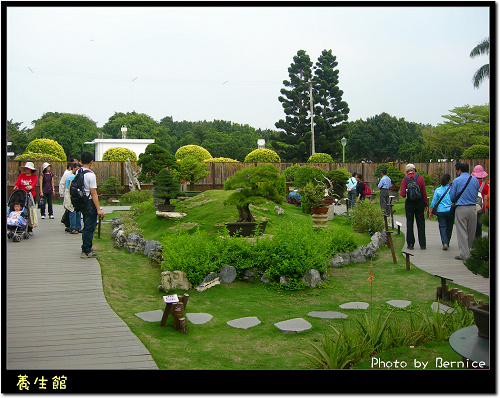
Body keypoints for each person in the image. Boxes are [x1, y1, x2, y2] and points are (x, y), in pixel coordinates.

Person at [449, 162, 479, 260]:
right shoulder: (475, 180)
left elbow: (452, 196)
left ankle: (464, 254)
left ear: (459, 170)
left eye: (457, 170)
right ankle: (469, 250)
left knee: (462, 231)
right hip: (473, 208)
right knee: (471, 230)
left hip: (461, 208)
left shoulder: (457, 181)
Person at [79, 152, 104, 259]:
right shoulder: (91, 175)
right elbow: (93, 193)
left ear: (80, 161)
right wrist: (98, 209)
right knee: (89, 227)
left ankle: (86, 247)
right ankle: (86, 250)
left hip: (82, 202)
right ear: (91, 161)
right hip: (89, 203)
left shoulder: (78, 173)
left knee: (86, 225)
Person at [399, 163, 428, 250]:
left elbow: (402, 194)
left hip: (409, 203)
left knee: (409, 222)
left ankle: (410, 244)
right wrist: (426, 204)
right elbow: (424, 192)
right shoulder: (420, 178)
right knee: (421, 223)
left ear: (406, 171)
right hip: (419, 202)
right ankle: (422, 244)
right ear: (414, 170)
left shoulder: (405, 180)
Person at [429, 174, 454, 250]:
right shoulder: (451, 189)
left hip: (441, 210)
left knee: (442, 227)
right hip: (450, 210)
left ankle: (444, 242)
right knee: (449, 227)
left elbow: (434, 201)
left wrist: (431, 211)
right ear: (449, 181)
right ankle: (448, 241)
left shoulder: (438, 190)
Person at [13, 161, 38, 235]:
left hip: (30, 196)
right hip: (21, 196)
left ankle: (30, 228)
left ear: (31, 170)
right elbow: (17, 183)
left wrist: (30, 186)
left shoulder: (34, 176)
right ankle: (19, 226)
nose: (26, 170)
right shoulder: (21, 176)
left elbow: (33, 183)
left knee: (30, 212)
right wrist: (16, 187)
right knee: (20, 210)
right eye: (26, 168)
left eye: (28, 168)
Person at [471, 164, 489, 238]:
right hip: (481, 208)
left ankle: (472, 241)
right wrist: (486, 208)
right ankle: (478, 240)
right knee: (479, 225)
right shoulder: (485, 185)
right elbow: (485, 197)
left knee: (472, 225)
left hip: (472, 206)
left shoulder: (471, 183)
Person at [66, 163, 82, 234]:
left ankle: (78, 227)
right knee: (72, 211)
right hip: (71, 194)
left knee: (78, 211)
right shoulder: (72, 177)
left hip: (76, 194)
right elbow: (70, 187)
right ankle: (72, 228)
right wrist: (71, 195)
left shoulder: (78, 177)